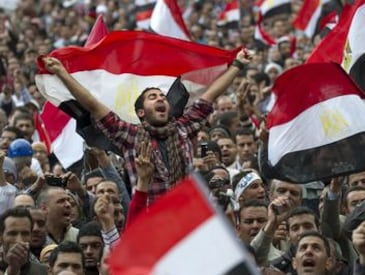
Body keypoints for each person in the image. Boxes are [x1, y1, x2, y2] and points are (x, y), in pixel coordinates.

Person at [42, 49, 252, 204]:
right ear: (141, 113)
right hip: (150, 220)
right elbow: (93, 105)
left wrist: (238, 66)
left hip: (186, 215)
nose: (160, 98)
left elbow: (210, 96)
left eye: (162, 96)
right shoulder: (130, 136)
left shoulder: (184, 128)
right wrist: (62, 73)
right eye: (153, 97)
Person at [0, 208, 47, 274]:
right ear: (1, 237)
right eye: (12, 233)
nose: (19, 240)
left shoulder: (44, 272)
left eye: (25, 234)